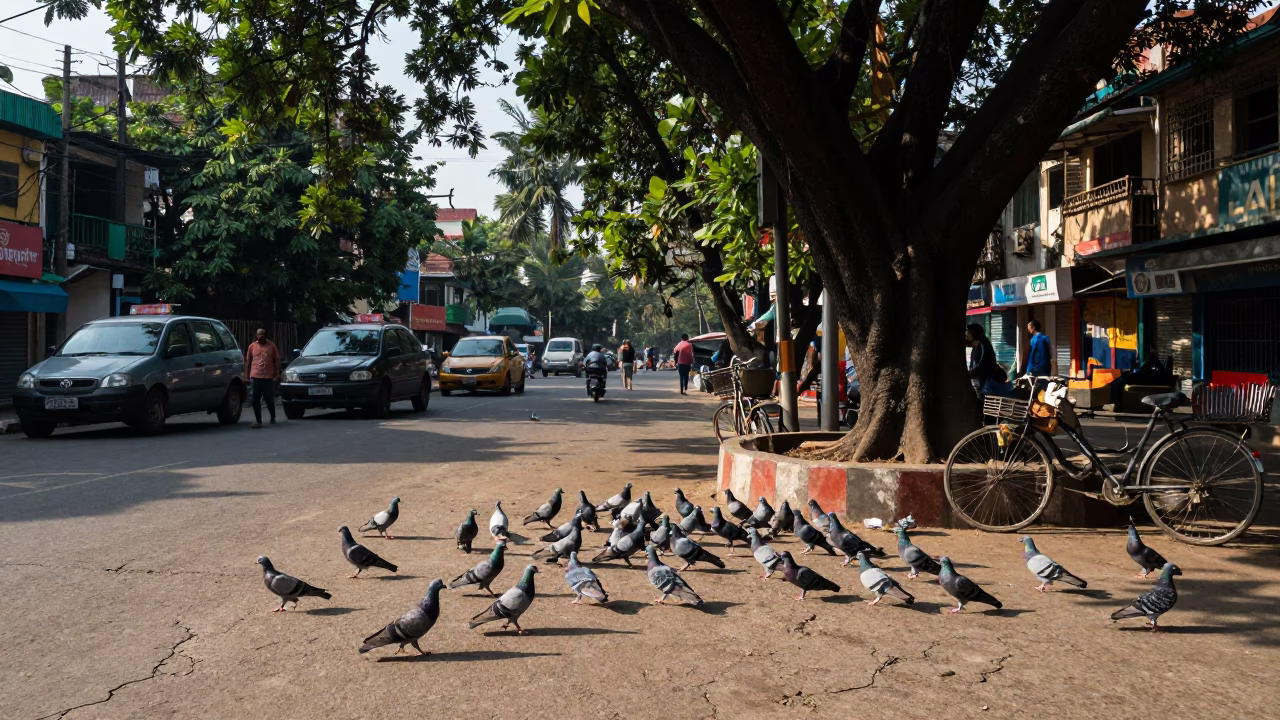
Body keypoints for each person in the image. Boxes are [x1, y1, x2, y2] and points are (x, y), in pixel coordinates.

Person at [244, 328, 281, 428]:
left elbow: (276, 359)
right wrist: (246, 376)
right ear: (257, 336)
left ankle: (272, 417)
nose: (261, 336)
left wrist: (277, 372)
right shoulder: (252, 346)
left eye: (263, 335)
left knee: (268, 398)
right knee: (255, 399)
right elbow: (248, 362)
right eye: (259, 335)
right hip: (255, 376)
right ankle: (258, 420)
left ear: (266, 335)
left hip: (268, 376)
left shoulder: (272, 345)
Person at [967, 323, 1011, 399]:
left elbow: (983, 366)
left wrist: (968, 374)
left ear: (974, 333)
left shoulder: (982, 345)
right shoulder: (977, 346)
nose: (966, 335)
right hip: (982, 382)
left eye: (968, 332)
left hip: (986, 383)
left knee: (985, 403)